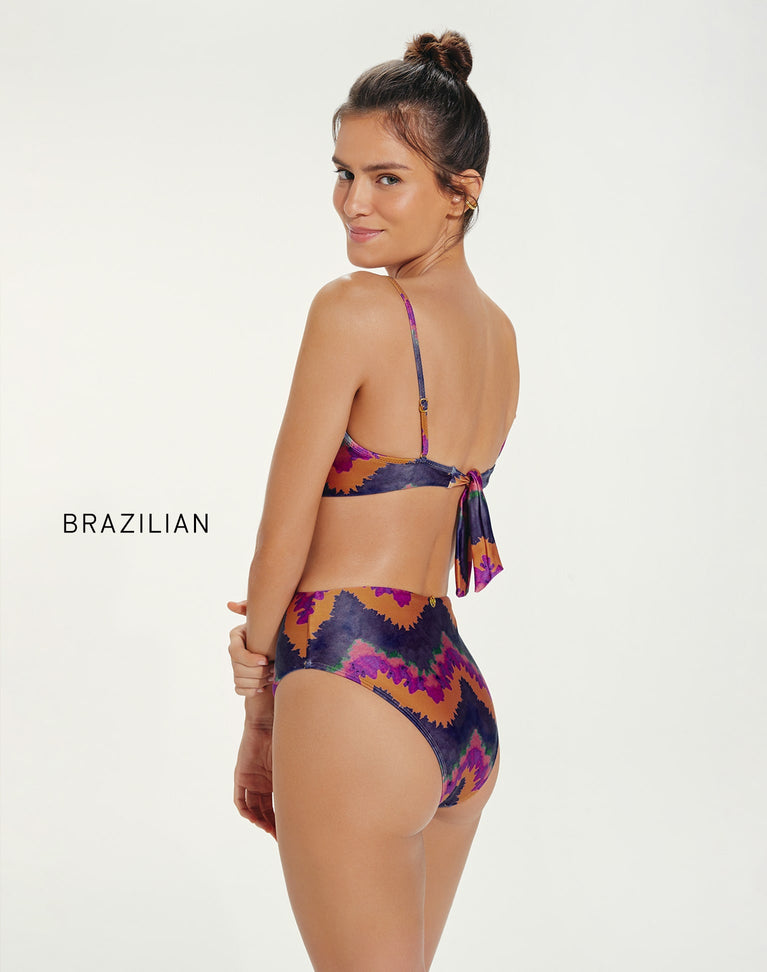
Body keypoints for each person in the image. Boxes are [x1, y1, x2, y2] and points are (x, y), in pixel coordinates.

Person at [226, 29, 519, 972]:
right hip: (454, 694)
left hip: (349, 679)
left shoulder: (353, 309)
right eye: (344, 173)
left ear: (460, 191)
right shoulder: (500, 336)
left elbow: (283, 534)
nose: (354, 202)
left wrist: (259, 697)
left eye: (387, 178)